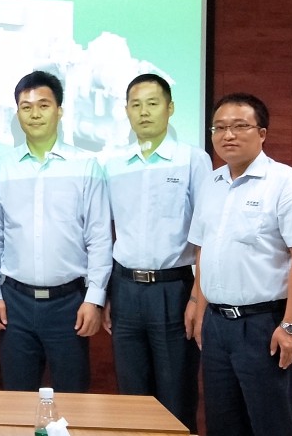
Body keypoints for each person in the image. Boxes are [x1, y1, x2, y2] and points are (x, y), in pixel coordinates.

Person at [188, 93, 292, 436]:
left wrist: (291, 326)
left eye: (239, 126)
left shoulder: (286, 183)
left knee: (271, 424)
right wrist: (199, 305)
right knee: (222, 424)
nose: (228, 135)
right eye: (219, 128)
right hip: (217, 326)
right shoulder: (211, 183)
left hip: (264, 326)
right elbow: (204, 249)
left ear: (262, 133)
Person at [0, 71, 111, 392]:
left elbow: (99, 238)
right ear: (17, 113)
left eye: (43, 105)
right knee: (17, 398)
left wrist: (94, 299)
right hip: (14, 303)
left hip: (70, 304)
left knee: (73, 398)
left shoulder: (86, 166)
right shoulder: (1, 169)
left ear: (59, 110)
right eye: (26, 107)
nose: (35, 114)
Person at [100, 74, 210, 433]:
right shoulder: (114, 165)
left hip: (174, 290)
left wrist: (197, 297)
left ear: (170, 108)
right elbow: (107, 233)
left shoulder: (192, 160)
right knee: (132, 395)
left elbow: (206, 236)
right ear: (126, 111)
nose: (143, 112)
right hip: (125, 289)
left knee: (176, 393)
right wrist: (108, 293)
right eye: (136, 104)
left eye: (152, 103)